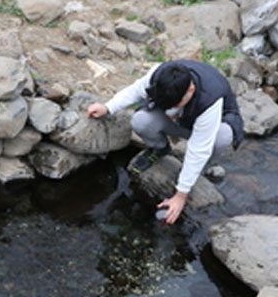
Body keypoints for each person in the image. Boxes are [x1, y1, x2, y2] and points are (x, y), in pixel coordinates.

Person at [86, 60, 245, 224]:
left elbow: (199, 148)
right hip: (179, 121)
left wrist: (180, 195)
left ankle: (202, 169)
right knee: (141, 120)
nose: (171, 108)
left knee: (223, 137)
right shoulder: (161, 75)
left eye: (176, 104)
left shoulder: (210, 97)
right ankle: (160, 149)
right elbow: (135, 91)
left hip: (209, 127)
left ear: (191, 89)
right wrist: (108, 107)